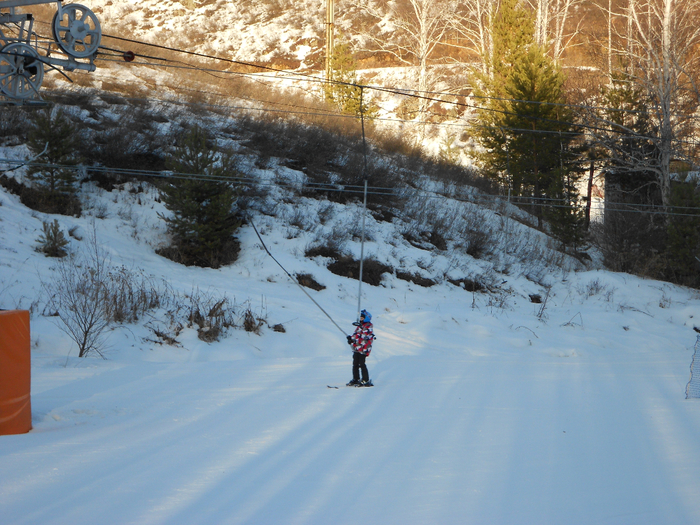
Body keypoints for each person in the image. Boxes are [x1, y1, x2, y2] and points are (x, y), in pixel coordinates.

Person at [346, 309, 375, 387]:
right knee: (355, 363)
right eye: (360, 318)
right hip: (357, 348)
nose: (361, 319)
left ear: (366, 318)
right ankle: (356, 378)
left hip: (364, 348)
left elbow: (364, 337)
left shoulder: (368, 326)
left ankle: (365, 379)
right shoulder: (360, 326)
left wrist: (356, 342)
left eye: (362, 318)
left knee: (362, 363)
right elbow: (356, 335)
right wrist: (351, 339)